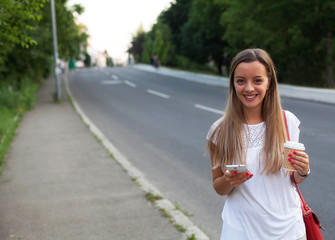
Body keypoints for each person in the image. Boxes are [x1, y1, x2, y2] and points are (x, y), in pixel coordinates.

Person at [206, 48, 310, 240]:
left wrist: (302, 171)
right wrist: (229, 180)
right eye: (241, 81)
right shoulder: (219, 131)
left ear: (269, 83)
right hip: (241, 231)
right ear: (233, 84)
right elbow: (218, 188)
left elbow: (292, 179)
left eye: (257, 80)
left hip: (288, 231)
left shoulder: (288, 121)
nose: (249, 88)